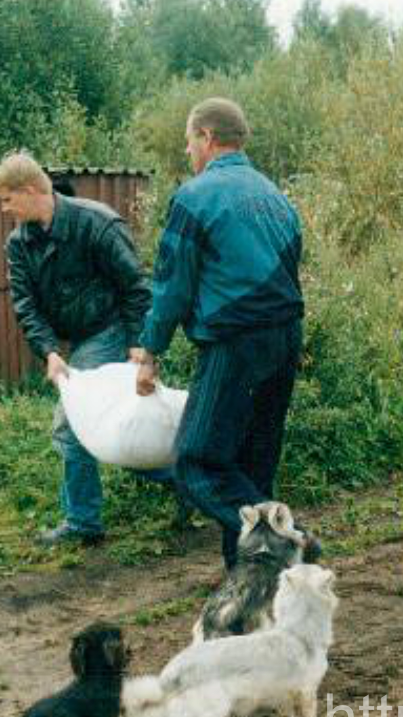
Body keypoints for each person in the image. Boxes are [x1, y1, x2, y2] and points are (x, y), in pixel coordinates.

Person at [132, 98, 304, 572]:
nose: (188, 152)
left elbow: (171, 287)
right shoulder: (276, 196)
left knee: (199, 464)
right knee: (250, 472)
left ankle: (289, 540)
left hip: (235, 344)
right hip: (286, 339)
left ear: (207, 137)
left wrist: (150, 350)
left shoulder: (195, 196)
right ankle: (250, 586)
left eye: (189, 142)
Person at [0, 151, 153, 546]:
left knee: (70, 426)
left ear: (30, 191)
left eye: (8, 199)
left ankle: (83, 523)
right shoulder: (19, 243)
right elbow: (25, 306)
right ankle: (188, 479)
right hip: (75, 340)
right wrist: (48, 351)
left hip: (110, 328)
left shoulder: (95, 222)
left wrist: (138, 343)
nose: (4, 208)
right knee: (119, 426)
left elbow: (136, 286)